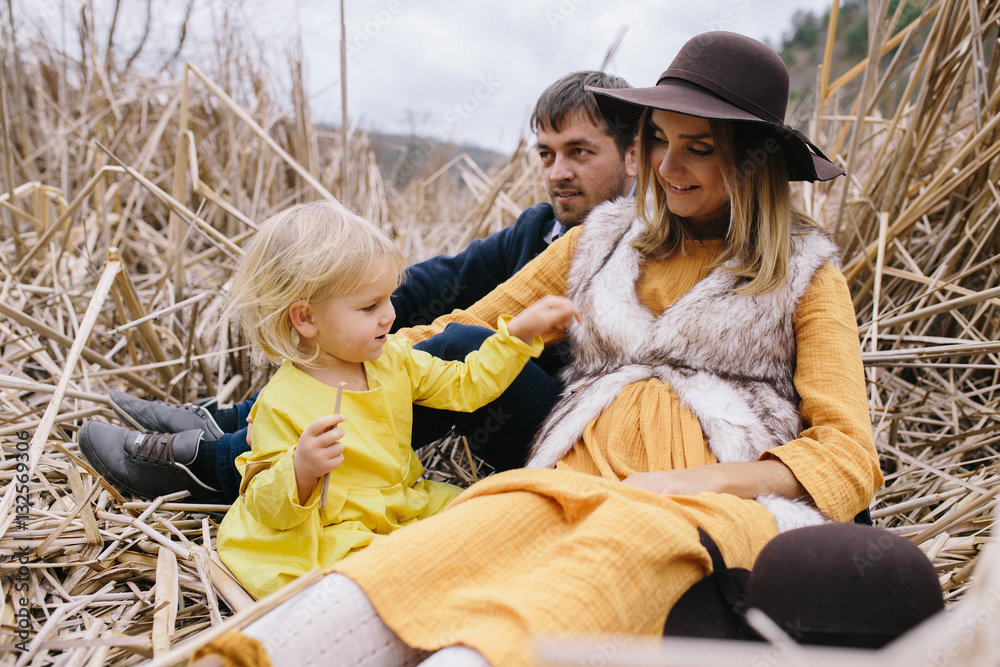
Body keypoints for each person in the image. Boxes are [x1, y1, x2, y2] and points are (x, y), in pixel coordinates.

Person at [234, 31, 884, 667]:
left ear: (753, 161)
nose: (666, 166)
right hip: (566, 479)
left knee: (546, 601)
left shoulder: (803, 273)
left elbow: (848, 452)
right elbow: (469, 324)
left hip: (694, 505)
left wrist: (697, 481)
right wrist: (317, 373)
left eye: (700, 148)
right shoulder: (602, 237)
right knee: (409, 567)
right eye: (659, 138)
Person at [76, 70, 636, 504]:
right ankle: (234, 421)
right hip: (514, 398)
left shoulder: (640, 247)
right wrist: (347, 307)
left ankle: (217, 469)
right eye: (546, 154)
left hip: (576, 433)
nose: (557, 172)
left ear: (633, 155)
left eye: (579, 152)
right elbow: (442, 279)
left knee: (452, 347)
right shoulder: (539, 228)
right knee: (372, 327)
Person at [202, 201, 577, 599]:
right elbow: (264, 505)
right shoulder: (281, 402)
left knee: (485, 518)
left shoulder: (394, 359)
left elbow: (466, 386)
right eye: (370, 307)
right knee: (375, 577)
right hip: (335, 530)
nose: (390, 316)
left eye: (389, 299)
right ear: (306, 318)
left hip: (402, 505)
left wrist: (516, 337)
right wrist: (301, 469)